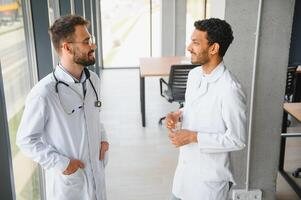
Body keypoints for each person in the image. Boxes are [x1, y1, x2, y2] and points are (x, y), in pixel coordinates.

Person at [16, 15, 109, 200]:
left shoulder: (93, 81)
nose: (93, 46)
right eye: (86, 41)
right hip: (70, 185)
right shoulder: (44, 92)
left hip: (95, 176)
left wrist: (103, 139)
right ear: (67, 47)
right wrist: (62, 163)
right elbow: (25, 140)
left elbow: (94, 117)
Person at [166, 18, 247, 200]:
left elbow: (237, 140)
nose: (189, 47)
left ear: (213, 48)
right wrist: (178, 114)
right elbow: (194, 107)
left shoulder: (230, 89)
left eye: (195, 42)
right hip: (184, 175)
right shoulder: (195, 75)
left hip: (209, 183)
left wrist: (193, 137)